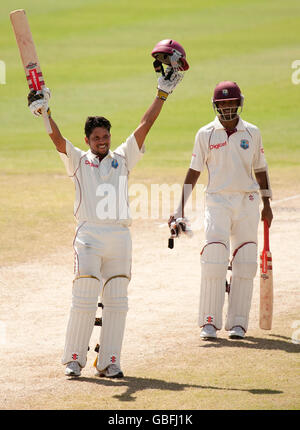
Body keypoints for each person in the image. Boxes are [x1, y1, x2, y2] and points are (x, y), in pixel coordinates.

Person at [27, 64, 183, 378]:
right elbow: (58, 140)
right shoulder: (78, 161)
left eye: (106, 135)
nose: (103, 140)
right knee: (84, 297)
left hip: (119, 237)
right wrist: (45, 113)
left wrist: (162, 94)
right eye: (97, 136)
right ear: (87, 139)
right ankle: (73, 358)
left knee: (117, 301)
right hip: (88, 236)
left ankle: (110, 361)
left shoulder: (123, 158)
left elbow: (145, 124)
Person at [169, 81, 273, 340]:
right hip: (217, 201)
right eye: (222, 103)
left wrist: (267, 204)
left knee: (246, 261)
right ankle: (209, 322)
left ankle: (237, 323)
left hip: (247, 202)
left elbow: (261, 169)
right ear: (215, 105)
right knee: (214, 257)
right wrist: (179, 206)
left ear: (239, 103)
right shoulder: (205, 133)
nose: (227, 107)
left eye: (231, 102)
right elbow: (194, 171)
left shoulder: (252, 132)